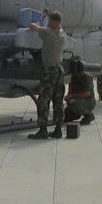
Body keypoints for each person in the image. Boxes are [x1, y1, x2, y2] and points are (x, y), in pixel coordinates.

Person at [27, 10, 66, 139]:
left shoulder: (48, 33)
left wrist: (35, 22)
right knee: (58, 100)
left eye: (50, 21)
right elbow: (56, 24)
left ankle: (43, 130)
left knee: (43, 100)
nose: (48, 23)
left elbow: (33, 26)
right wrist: (49, 15)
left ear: (54, 22)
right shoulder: (62, 33)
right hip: (60, 70)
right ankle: (58, 129)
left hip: (49, 71)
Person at [64, 59, 96, 125]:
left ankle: (89, 115)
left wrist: (72, 96)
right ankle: (76, 114)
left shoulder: (86, 77)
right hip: (79, 99)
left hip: (89, 101)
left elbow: (87, 94)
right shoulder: (74, 76)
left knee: (73, 102)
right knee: (67, 112)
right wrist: (68, 97)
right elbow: (70, 89)